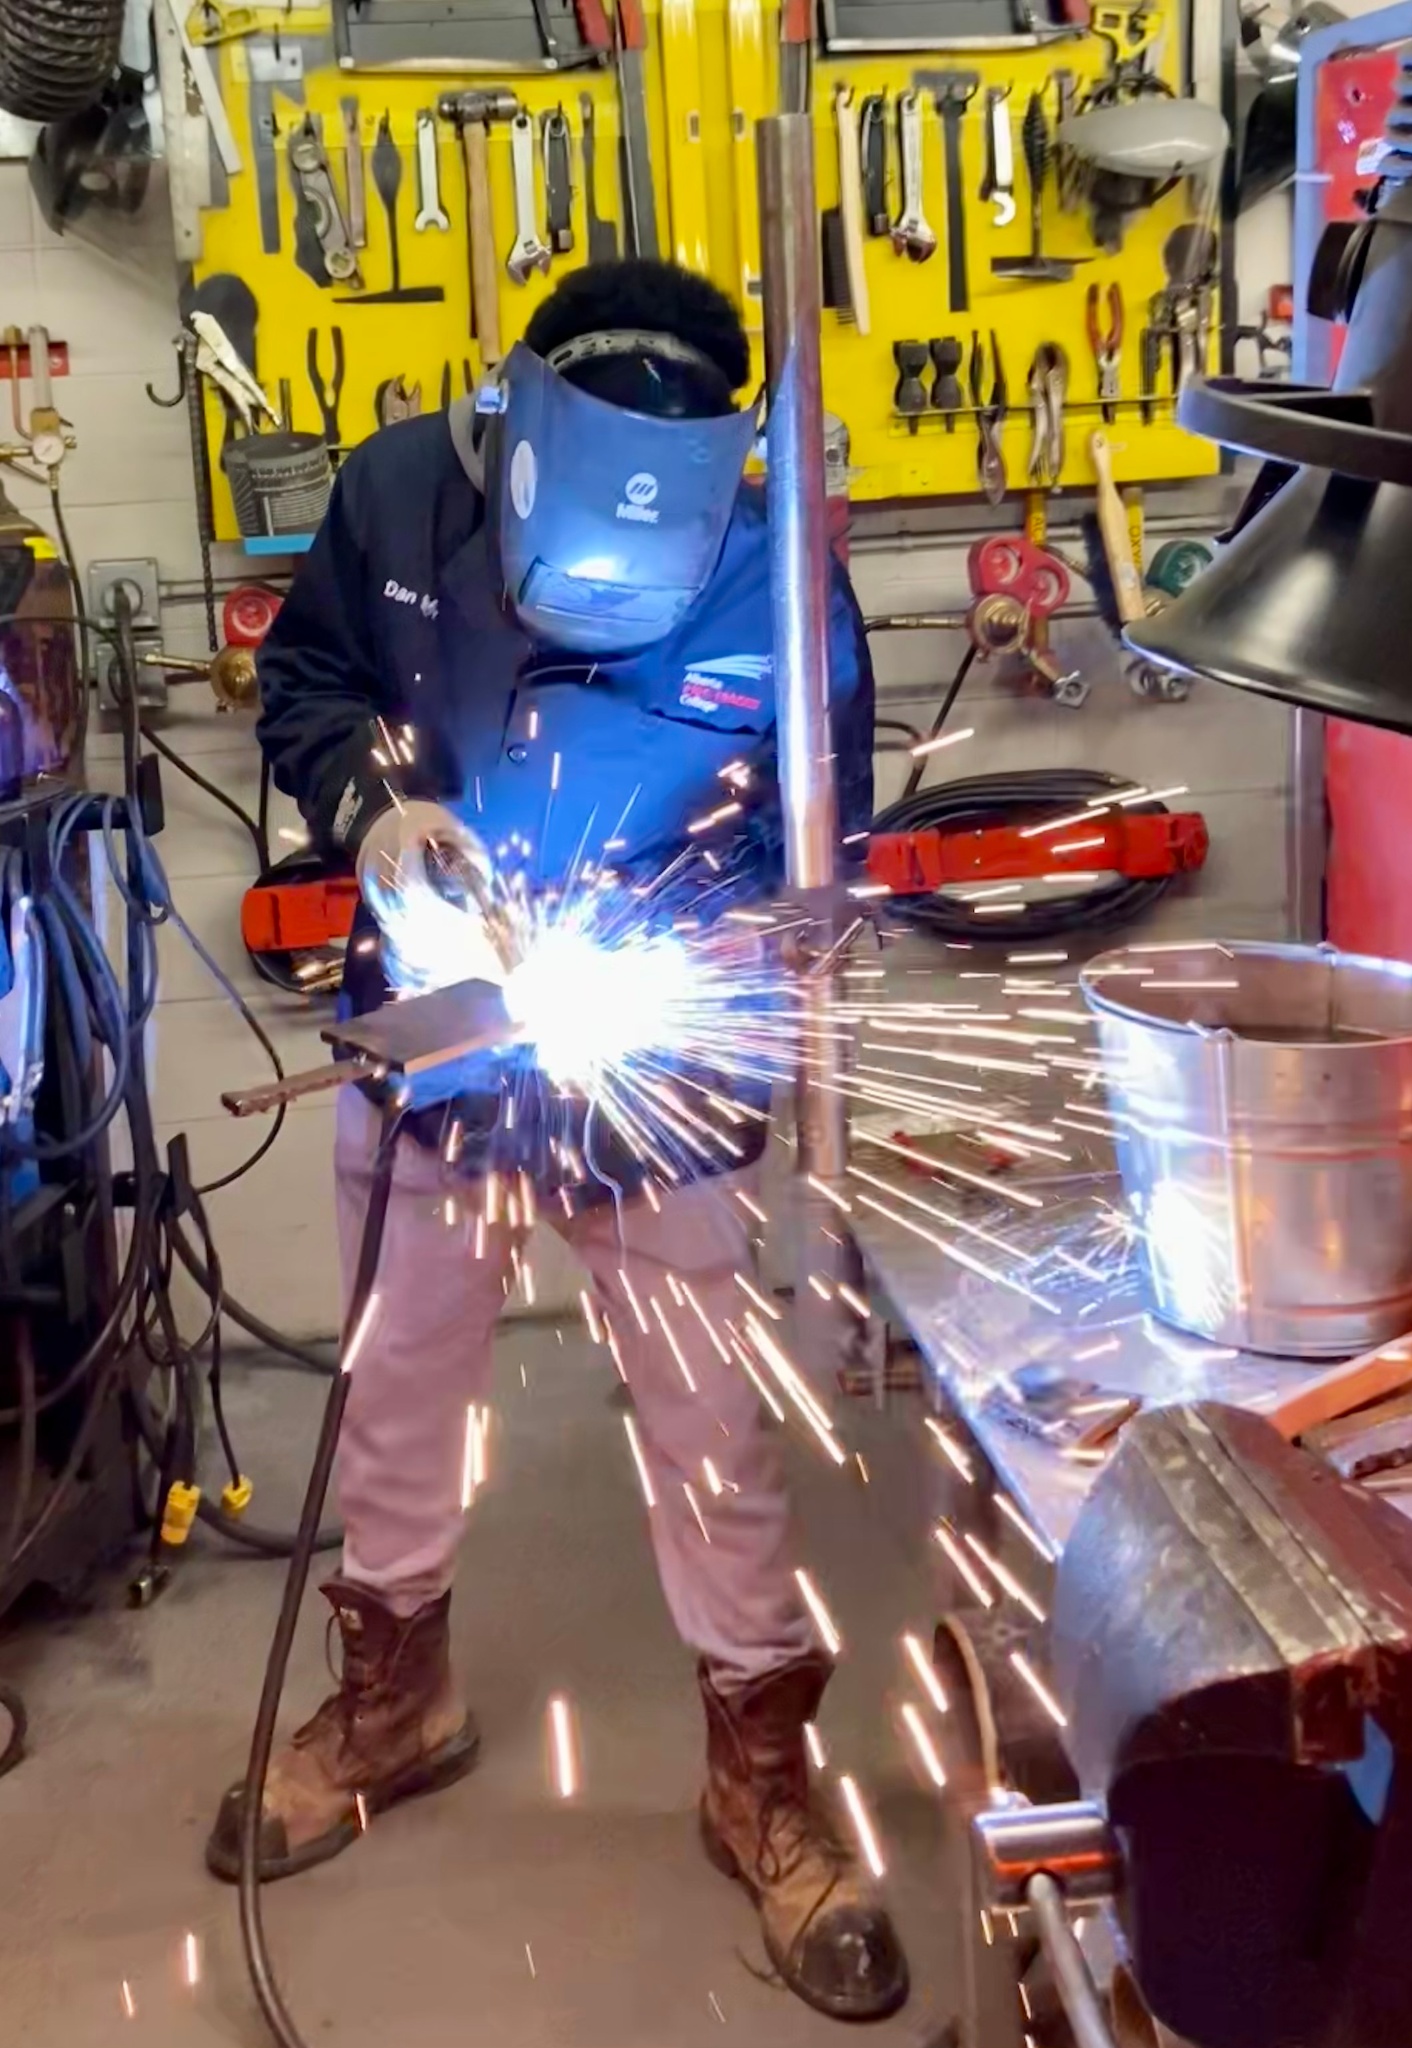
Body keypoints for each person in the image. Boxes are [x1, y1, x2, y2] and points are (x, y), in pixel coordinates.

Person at [205, 259, 908, 2024]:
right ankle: (397, 1698)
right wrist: (375, 814)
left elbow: (815, 833)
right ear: (509, 441)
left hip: (650, 1066)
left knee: (711, 1426)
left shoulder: (777, 564)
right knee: (397, 1389)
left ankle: (757, 1766)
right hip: (431, 1040)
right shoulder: (387, 497)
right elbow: (304, 691)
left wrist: (751, 939)